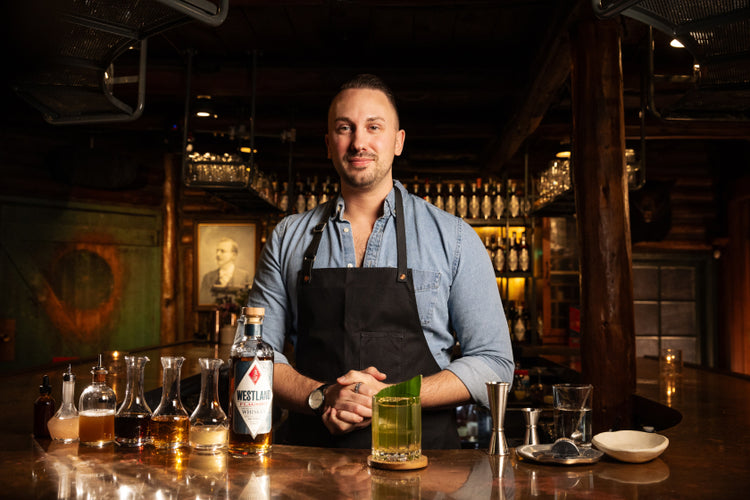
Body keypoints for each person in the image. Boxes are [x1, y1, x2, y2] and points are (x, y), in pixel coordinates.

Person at [247, 74, 513, 448]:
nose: (359, 142)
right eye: (345, 128)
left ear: (398, 141)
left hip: (425, 466)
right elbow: (254, 355)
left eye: (374, 127)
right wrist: (324, 396)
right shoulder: (287, 237)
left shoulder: (454, 238)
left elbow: (494, 362)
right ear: (328, 143)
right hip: (308, 465)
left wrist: (392, 398)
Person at [199, 237, 252, 304]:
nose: (218, 254)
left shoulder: (244, 276)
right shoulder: (208, 277)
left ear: (233, 255)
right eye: (217, 251)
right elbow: (204, 302)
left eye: (222, 251)